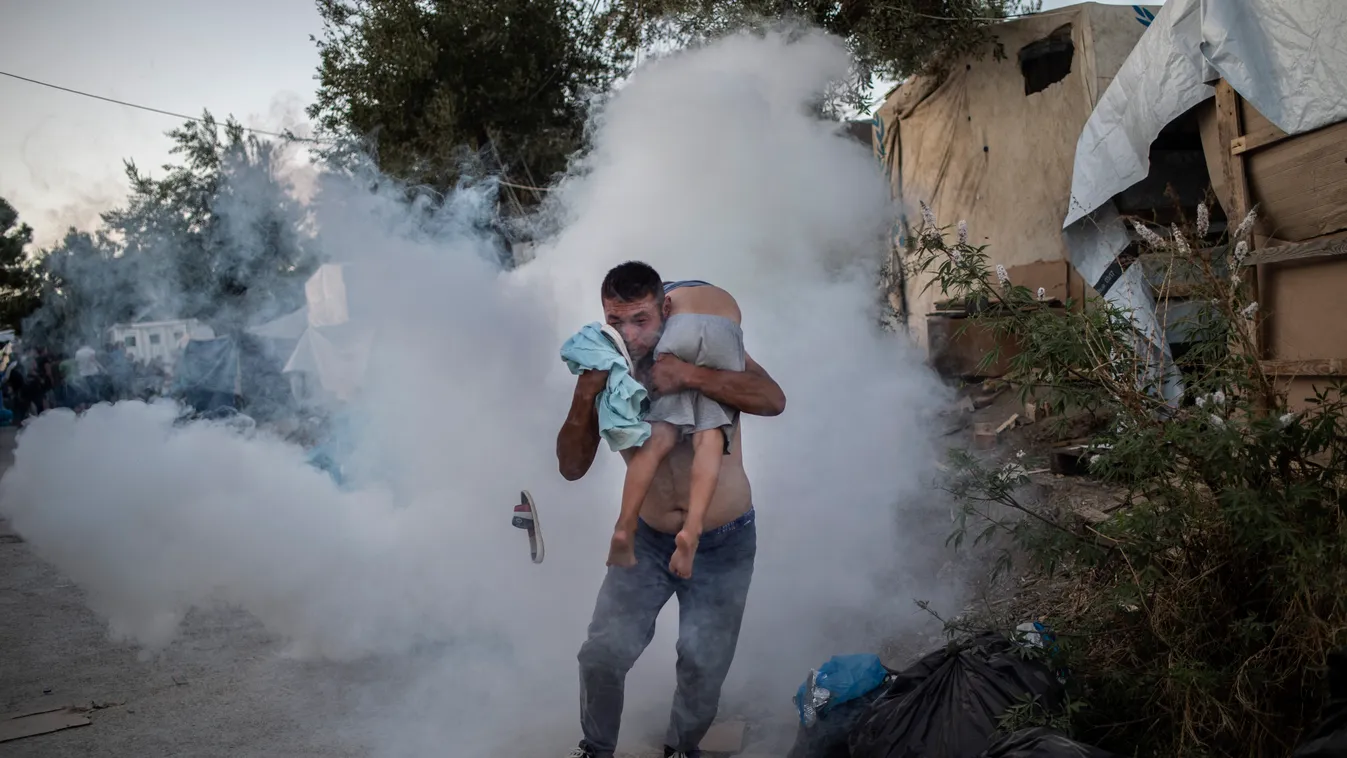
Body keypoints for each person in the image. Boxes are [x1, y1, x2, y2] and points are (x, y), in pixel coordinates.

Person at [557, 261, 787, 758]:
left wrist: (689, 375)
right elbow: (572, 467)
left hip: (722, 540)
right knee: (602, 653)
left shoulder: (698, 344)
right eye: (616, 322)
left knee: (702, 662)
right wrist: (583, 396)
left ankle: (682, 748)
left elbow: (772, 398)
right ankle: (595, 749)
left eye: (639, 320)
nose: (629, 334)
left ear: (663, 309)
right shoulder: (609, 369)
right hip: (649, 539)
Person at [608, 275, 744, 580]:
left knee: (658, 439)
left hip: (678, 336)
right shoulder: (711, 298)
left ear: (664, 304)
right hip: (722, 330)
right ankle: (692, 531)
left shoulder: (664, 318)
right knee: (709, 437)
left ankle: (624, 525)